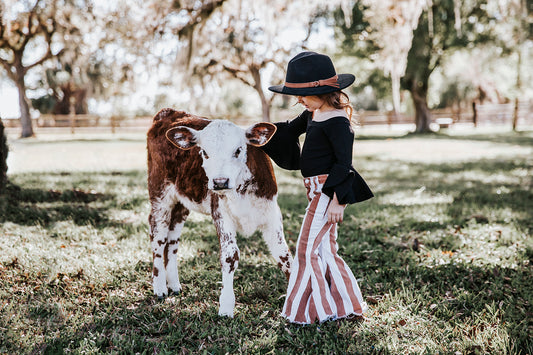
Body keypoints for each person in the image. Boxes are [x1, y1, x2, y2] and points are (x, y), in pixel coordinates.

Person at [261, 51, 374, 325]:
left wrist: (338, 200)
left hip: (327, 191)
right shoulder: (312, 114)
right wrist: (257, 134)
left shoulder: (338, 122)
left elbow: (343, 164)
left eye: (301, 95)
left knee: (305, 249)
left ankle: (308, 312)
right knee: (325, 250)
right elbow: (287, 130)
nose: (297, 100)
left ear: (322, 91)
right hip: (314, 189)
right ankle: (347, 305)